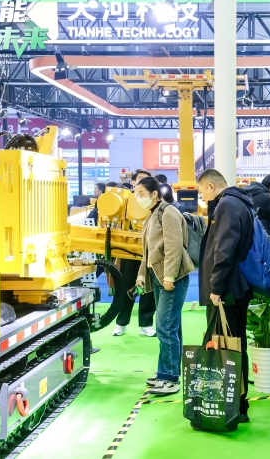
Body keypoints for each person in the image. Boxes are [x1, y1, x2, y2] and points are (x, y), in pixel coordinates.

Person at [196, 168, 254, 423]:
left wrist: (216, 288)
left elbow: (224, 250)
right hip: (235, 286)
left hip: (227, 289)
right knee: (234, 344)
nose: (202, 196)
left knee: (227, 346)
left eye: (201, 191)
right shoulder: (238, 202)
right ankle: (235, 403)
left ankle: (232, 406)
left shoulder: (228, 205)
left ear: (210, 186)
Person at [135, 177, 193, 395]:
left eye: (141, 193)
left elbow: (174, 246)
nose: (137, 197)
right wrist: (142, 275)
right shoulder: (151, 215)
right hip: (159, 277)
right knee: (170, 326)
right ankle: (165, 373)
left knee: (165, 326)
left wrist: (169, 276)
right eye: (136, 193)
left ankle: (170, 379)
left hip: (172, 278)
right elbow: (148, 251)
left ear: (154, 194)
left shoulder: (168, 212)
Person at [111, 170, 156, 337]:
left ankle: (146, 324)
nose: (143, 182)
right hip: (129, 252)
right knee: (126, 288)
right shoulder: (126, 201)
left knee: (148, 290)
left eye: (146, 180)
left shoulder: (154, 202)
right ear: (134, 183)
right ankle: (121, 323)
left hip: (149, 252)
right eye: (140, 179)